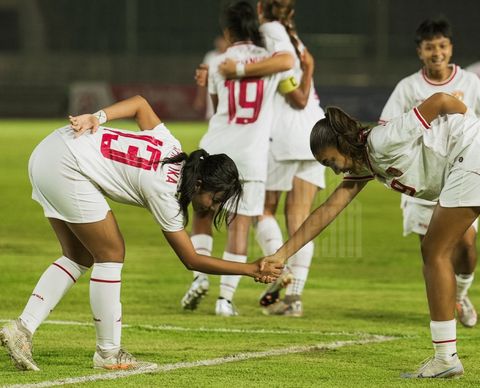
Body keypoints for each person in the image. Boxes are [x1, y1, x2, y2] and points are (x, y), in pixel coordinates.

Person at [262, 92, 480, 384]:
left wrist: (471, 127)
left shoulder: (382, 139)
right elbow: (327, 210)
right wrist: (281, 254)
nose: (334, 169)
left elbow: (441, 100)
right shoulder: (367, 162)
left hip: (477, 153)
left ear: (341, 144)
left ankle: (445, 359)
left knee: (434, 252)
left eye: (330, 161)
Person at [0, 95, 282, 372]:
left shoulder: (172, 146)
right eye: (216, 198)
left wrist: (96, 118)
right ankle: (109, 353)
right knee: (111, 253)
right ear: (198, 183)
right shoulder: (166, 192)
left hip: (49, 150)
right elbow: (192, 260)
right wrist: (249, 269)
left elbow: (140, 104)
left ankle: (22, 328)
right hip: (66, 165)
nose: (214, 206)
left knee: (79, 255)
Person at [179, 1, 311, 317]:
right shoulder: (271, 62)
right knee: (239, 225)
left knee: (201, 213)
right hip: (253, 155)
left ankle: (199, 277)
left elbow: (214, 103)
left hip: (216, 147)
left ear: (228, 31)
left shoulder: (218, 61)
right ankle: (225, 301)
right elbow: (292, 88)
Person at [378, 16, 480, 328]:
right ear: (420, 51)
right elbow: (387, 128)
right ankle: (443, 311)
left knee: (467, 245)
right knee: (431, 249)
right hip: (420, 179)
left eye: (442, 46)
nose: (437, 52)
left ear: (451, 48)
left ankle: (460, 294)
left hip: (462, 174)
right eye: (430, 47)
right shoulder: (408, 87)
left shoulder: (469, 82)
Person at [193, 35, 230, 120]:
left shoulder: (232, 55)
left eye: (223, 41)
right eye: (219, 40)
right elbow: (202, 78)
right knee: (212, 116)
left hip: (228, 92)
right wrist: (200, 98)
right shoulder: (210, 56)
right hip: (212, 93)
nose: (220, 43)